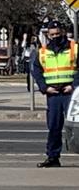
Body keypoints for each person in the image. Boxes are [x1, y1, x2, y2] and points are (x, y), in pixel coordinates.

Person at [31, 21, 78, 168]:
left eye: (58, 34)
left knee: (77, 126)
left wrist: (73, 85)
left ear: (62, 32)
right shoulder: (43, 51)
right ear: (48, 35)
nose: (55, 37)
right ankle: (53, 157)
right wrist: (44, 88)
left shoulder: (74, 48)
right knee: (54, 126)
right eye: (52, 35)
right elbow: (36, 71)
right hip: (53, 94)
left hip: (71, 93)